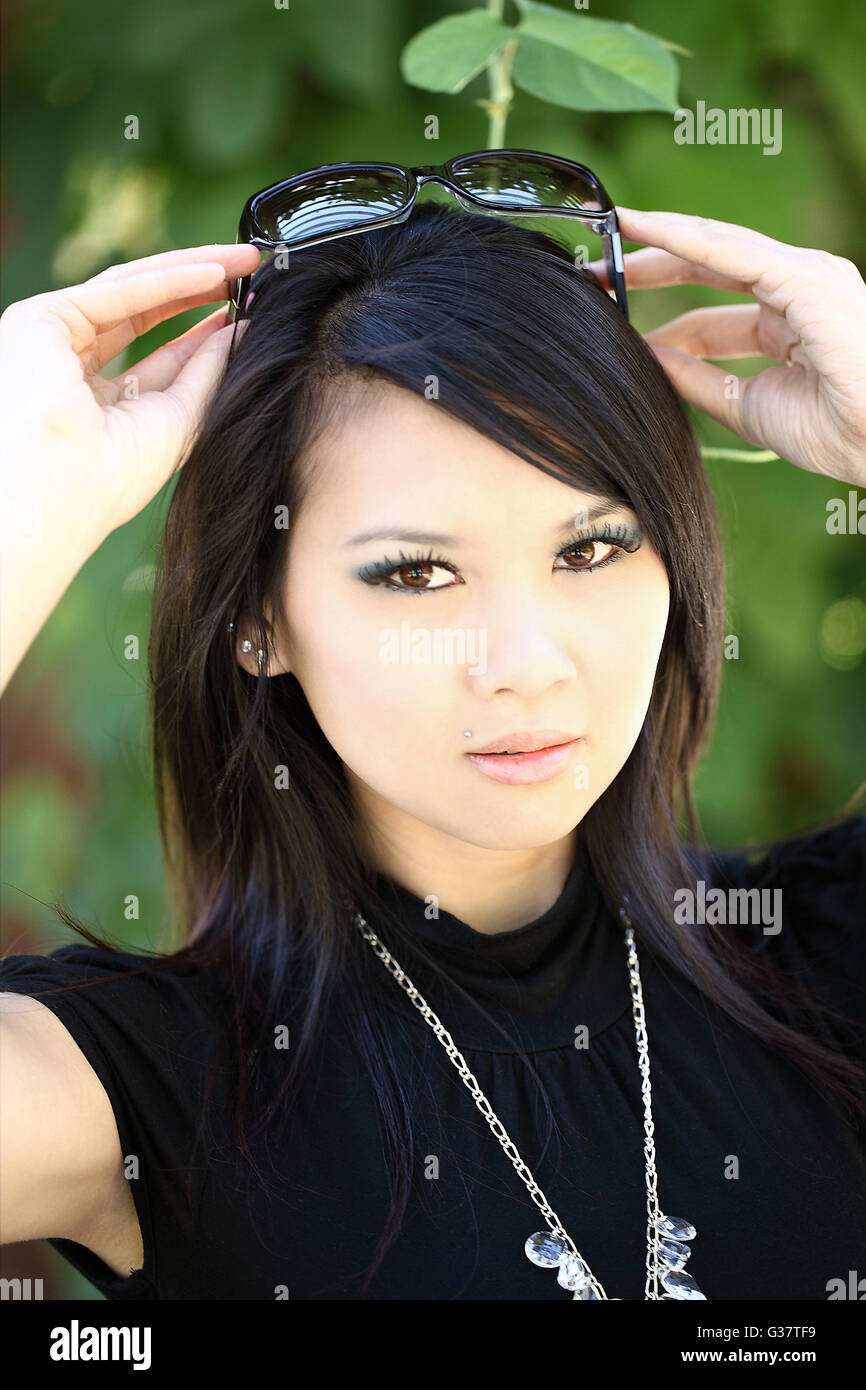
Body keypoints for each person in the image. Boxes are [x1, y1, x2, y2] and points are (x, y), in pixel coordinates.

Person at [0, 201, 864, 1302]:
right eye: (416, 573)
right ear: (257, 619)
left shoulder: (819, 959)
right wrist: (17, 509)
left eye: (592, 545)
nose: (524, 661)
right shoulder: (154, 1087)